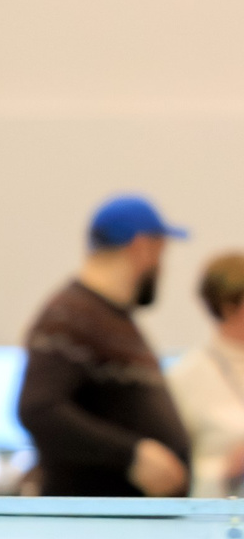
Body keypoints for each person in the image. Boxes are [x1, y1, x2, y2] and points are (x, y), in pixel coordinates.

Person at [16, 195, 191, 498]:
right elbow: (38, 408)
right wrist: (132, 455)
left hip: (126, 531)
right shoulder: (69, 317)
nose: (162, 268)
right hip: (94, 533)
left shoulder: (108, 317)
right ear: (142, 247)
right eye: (161, 253)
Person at [169, 251, 244, 498]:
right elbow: (173, 474)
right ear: (230, 306)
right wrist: (225, 470)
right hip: (219, 522)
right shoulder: (187, 376)